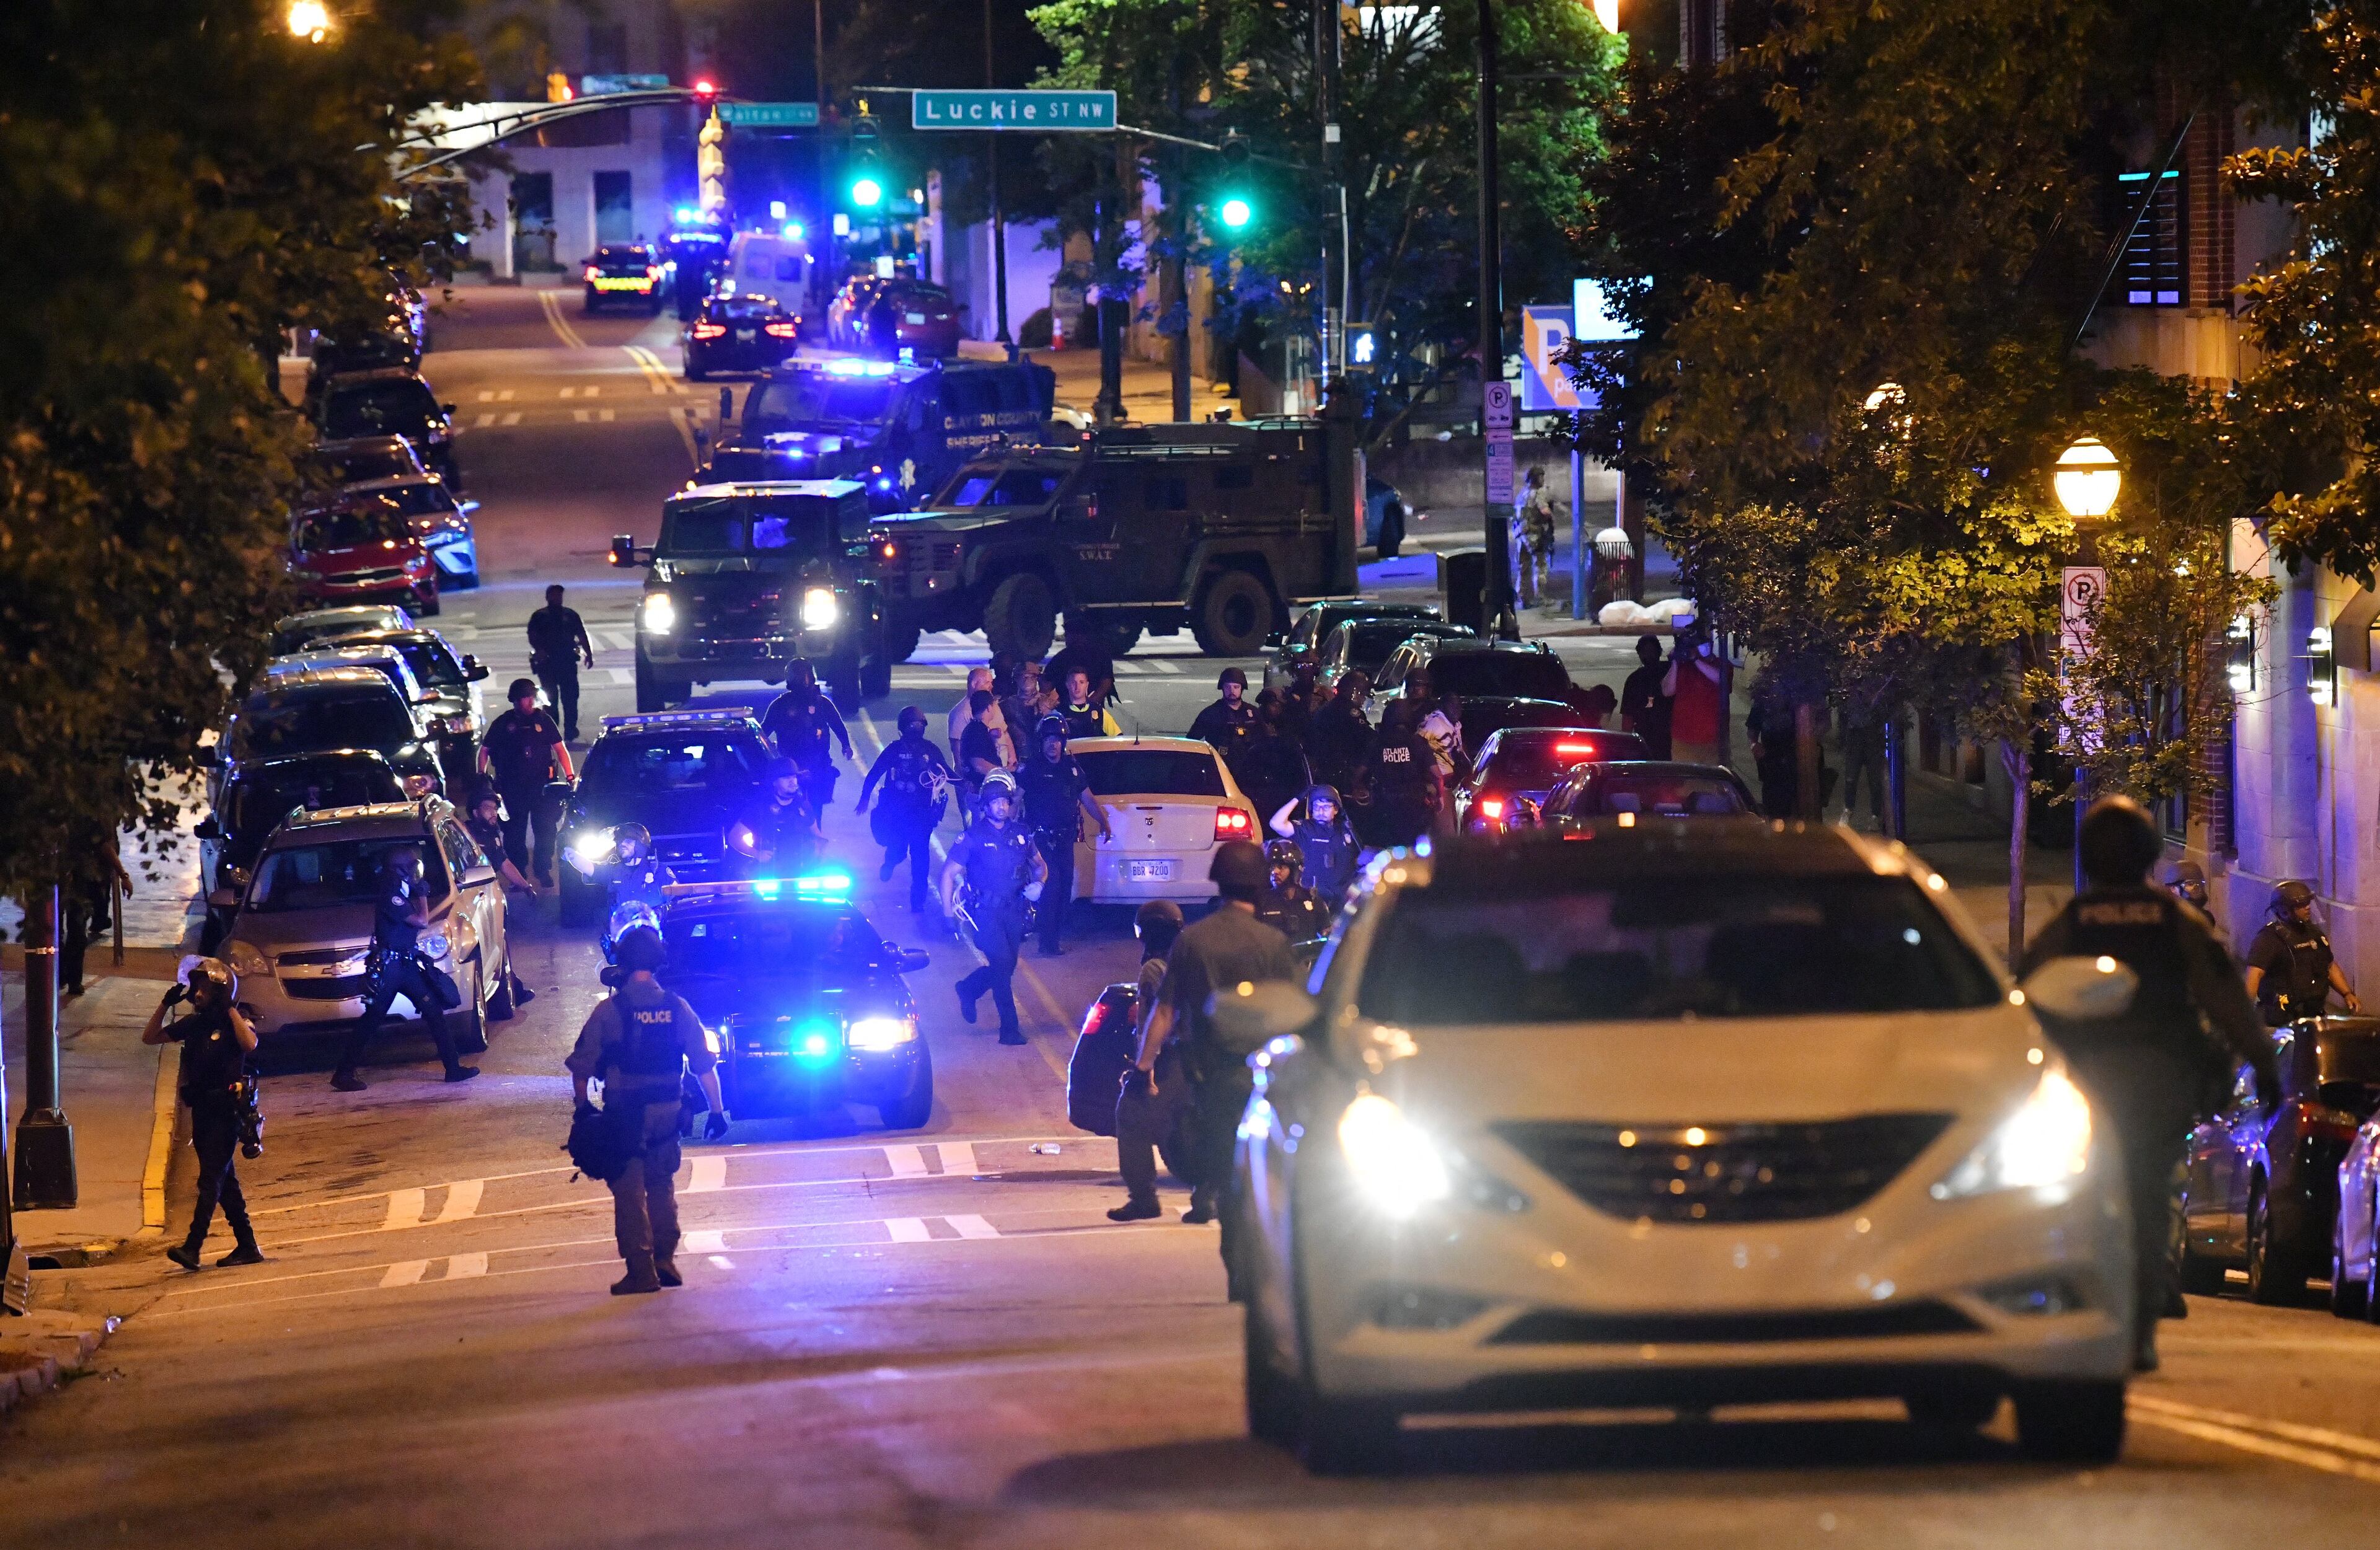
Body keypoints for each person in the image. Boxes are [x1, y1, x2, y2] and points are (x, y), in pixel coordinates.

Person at [2019, 796, 2278, 1372]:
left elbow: (2023, 997)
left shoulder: (2071, 923)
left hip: (2082, 1091)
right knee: (2150, 1193)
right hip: (2161, 1085)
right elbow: (2227, 999)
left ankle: (2075, 1302)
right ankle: (2140, 1320)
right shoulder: (2175, 921)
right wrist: (2265, 1063)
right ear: (2148, 852)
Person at [1133, 842, 1297, 1282]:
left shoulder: (1192, 940)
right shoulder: (1274, 944)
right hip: (1264, 1078)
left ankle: (1230, 1249)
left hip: (1210, 1075)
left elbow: (1164, 1010)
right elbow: (1294, 1013)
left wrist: (1143, 1065)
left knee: (1221, 1162)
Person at [567, 925, 728, 1295]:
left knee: (628, 1192)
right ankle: (665, 1260)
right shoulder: (677, 1006)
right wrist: (717, 1112)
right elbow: (704, 1065)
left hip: (626, 1114)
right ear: (658, 963)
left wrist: (582, 1108)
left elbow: (582, 1067)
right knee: (661, 1185)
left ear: (622, 963)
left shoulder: (610, 1011)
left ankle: (641, 1271)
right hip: (670, 1111)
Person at [144, 959, 263, 1270]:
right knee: (226, 1182)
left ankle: (193, 1247)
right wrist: (164, 1004)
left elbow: (250, 1044)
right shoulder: (195, 1023)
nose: (197, 993)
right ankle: (248, 1246)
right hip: (202, 1110)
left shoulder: (236, 1020)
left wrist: (231, 1009)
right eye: (196, 987)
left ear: (220, 991)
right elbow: (151, 1037)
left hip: (226, 1110)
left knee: (211, 1180)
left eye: (204, 988)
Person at [334, 847, 479, 1091]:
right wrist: (423, 896)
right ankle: (344, 1073)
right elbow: (421, 921)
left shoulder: (400, 888)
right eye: (413, 866)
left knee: (433, 1010)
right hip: (392, 968)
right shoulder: (392, 892)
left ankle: (453, 1069)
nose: (417, 872)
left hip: (405, 965)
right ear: (403, 868)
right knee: (372, 1018)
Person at [940, 769, 1046, 1045]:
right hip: (985, 912)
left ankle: (969, 988)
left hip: (1015, 910)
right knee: (1001, 964)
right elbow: (948, 874)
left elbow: (1040, 865)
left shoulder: (1021, 833)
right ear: (985, 805)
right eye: (995, 801)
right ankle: (1009, 1029)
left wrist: (1040, 884)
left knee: (1007, 964)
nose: (1001, 806)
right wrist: (948, 916)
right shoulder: (972, 837)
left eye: (1005, 801)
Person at [1109, 899, 1188, 1223]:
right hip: (1205, 1058)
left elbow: (1151, 1023)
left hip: (1173, 1059)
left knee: (1130, 1115)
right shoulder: (1191, 960)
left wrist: (1145, 1073)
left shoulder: (1153, 969)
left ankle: (1143, 1198)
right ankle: (1206, 1198)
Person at [1018, 715, 1111, 956]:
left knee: (1065, 889)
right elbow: (1017, 798)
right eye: (1049, 739)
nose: (1053, 744)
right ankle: (1047, 943)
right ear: (1042, 742)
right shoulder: (1032, 769)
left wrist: (1103, 821)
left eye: (1057, 740)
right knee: (1053, 887)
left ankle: (1052, 937)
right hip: (1041, 840)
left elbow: (1087, 797)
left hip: (1065, 839)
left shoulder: (1071, 769)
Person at [856, 707, 952, 913]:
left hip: (922, 815)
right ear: (903, 728)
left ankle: (917, 901)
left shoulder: (931, 749)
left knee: (920, 859)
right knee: (898, 850)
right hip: (897, 814)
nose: (916, 728)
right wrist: (864, 799)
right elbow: (874, 773)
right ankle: (890, 863)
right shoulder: (894, 751)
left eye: (919, 724)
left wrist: (967, 784)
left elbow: (947, 772)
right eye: (912, 725)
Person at [479, 679, 573, 886]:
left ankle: (543, 870)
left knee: (547, 831)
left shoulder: (544, 720)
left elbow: (560, 749)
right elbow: (485, 750)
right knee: (513, 834)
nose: (530, 701)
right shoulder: (504, 724)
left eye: (531, 697)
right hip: (513, 789)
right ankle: (518, 874)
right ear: (515, 700)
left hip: (543, 788)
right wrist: (482, 777)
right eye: (525, 697)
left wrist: (570, 777)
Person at [2246, 880, 2363, 1026]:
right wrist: (2245, 1013)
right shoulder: (2269, 938)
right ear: (2284, 910)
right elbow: (2254, 974)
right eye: (2301, 905)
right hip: (2281, 1019)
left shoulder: (2314, 934)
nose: (2307, 908)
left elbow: (2330, 966)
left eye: (2308, 903)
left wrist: (2347, 994)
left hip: (2313, 1015)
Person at [462, 789, 539, 1007]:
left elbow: (504, 863)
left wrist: (525, 886)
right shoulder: (466, 835)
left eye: (495, 809)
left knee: (497, 944)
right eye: (488, 809)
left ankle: (512, 990)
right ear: (476, 812)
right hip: (472, 899)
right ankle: (509, 993)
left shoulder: (492, 835)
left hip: (489, 896)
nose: (493, 814)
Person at [759, 660, 855, 814]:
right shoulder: (781, 705)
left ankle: (815, 830)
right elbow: (763, 733)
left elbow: (837, 724)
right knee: (791, 802)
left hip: (817, 762)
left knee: (816, 802)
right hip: (792, 766)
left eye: (806, 676)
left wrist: (846, 745)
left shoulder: (821, 703)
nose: (805, 681)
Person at [1269, 783, 1359, 908]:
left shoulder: (1346, 830)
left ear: (1336, 809)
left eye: (1326, 807)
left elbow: (1362, 857)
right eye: (1316, 807)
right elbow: (1276, 824)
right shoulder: (1304, 828)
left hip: (1341, 900)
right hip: (1311, 899)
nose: (1321, 811)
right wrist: (1298, 798)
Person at [1366, 700, 1440, 850]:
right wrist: (1439, 797)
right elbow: (1437, 774)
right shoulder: (1419, 743)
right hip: (1415, 808)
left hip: (1384, 806)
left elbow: (1361, 772)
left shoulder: (1377, 742)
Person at [526, 584, 596, 742]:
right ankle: (553, 730)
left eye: (559, 595)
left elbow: (582, 635)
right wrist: (540, 650)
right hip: (548, 663)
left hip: (567, 662)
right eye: (554, 595)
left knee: (571, 698)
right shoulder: (539, 616)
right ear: (548, 597)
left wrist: (589, 655)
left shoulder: (570, 615)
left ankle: (570, 730)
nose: (557, 598)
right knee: (550, 699)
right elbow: (533, 636)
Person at [1235, 691, 1314, 828]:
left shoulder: (1288, 726)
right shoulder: (1252, 724)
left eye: (1279, 706)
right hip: (1256, 789)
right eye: (1273, 705)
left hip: (1286, 787)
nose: (1277, 709)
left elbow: (1297, 761)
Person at [734, 757, 822, 874]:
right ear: (774, 782)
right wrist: (756, 854)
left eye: (794, 777)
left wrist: (817, 856)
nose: (792, 782)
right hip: (770, 872)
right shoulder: (760, 807)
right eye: (786, 778)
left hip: (801, 870)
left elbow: (816, 834)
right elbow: (734, 837)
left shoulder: (803, 806)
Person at [1664, 630, 1728, 767]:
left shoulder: (1719, 663)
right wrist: (1675, 662)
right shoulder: (1683, 667)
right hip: (1682, 739)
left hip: (1711, 739)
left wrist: (1696, 660)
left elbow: (1721, 679)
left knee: (1709, 784)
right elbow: (1667, 691)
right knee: (1685, 783)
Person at [1308, 671, 1377, 794]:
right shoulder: (1350, 712)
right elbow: (1369, 738)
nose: (1364, 699)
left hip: (1323, 770)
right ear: (1354, 693)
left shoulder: (1327, 708)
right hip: (1342, 774)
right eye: (1363, 694)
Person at [1256, 839, 1331, 941]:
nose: (1275, 871)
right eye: (1272, 867)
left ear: (1295, 870)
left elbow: (1327, 940)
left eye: (1281, 867)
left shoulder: (1314, 902)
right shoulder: (1262, 903)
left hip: (1306, 956)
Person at [1189, 667, 1261, 768]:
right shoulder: (1211, 713)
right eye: (1228, 687)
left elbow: (1265, 740)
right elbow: (1192, 741)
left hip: (1249, 768)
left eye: (1236, 687)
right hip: (1220, 767)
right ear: (1222, 688)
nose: (1232, 691)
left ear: (1242, 689)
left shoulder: (1252, 712)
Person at [1620, 633, 1673, 759]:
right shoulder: (1635, 679)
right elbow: (1628, 715)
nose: (1648, 655)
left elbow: (1628, 717)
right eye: (1645, 652)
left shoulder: (1669, 671)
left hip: (1667, 734)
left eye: (1651, 651)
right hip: (1647, 735)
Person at [954, 689, 1005, 813]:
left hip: (980, 792)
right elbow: (978, 764)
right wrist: (1003, 773)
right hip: (980, 794)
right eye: (993, 706)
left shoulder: (976, 729)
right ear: (988, 708)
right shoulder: (977, 732)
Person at [1510, 465, 1548, 609]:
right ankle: (1541, 597)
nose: (1543, 479)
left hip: (1521, 535)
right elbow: (1545, 512)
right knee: (1541, 566)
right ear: (1535, 478)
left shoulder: (1522, 494)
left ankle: (1523, 598)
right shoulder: (1537, 494)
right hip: (1534, 535)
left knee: (1524, 568)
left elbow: (1514, 516)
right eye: (1541, 476)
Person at [1056, 667, 1117, 738]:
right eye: (1073, 682)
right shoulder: (1058, 714)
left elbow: (1118, 739)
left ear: (1087, 685)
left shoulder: (1100, 712)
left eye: (1081, 682)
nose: (1077, 687)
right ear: (1067, 685)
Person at [948, 667, 996, 755]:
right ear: (974, 684)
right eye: (987, 683)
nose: (991, 686)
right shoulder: (961, 713)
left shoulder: (992, 705)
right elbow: (957, 744)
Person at [2167, 860, 2215, 931]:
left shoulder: (2206, 918)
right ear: (2173, 888)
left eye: (2200, 883)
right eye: (2190, 884)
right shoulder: (2168, 919)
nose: (2196, 887)